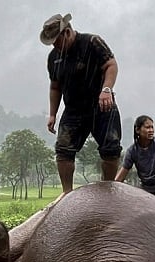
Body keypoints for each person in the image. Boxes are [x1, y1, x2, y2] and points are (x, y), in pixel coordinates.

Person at [40, 13, 122, 196]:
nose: (55, 45)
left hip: (101, 104)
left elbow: (111, 65)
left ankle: (108, 188)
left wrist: (106, 89)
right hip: (74, 108)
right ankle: (66, 193)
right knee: (63, 148)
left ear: (67, 32)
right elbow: (55, 87)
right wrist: (53, 114)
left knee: (111, 147)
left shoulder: (92, 42)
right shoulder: (54, 57)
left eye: (56, 41)